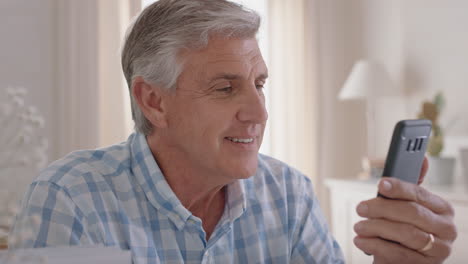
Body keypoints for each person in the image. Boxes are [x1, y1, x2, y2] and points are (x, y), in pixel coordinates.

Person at [10, 0, 456, 263]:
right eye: (226, 88)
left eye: (259, 84)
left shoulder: (289, 195)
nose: (258, 112)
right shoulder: (71, 198)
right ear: (153, 101)